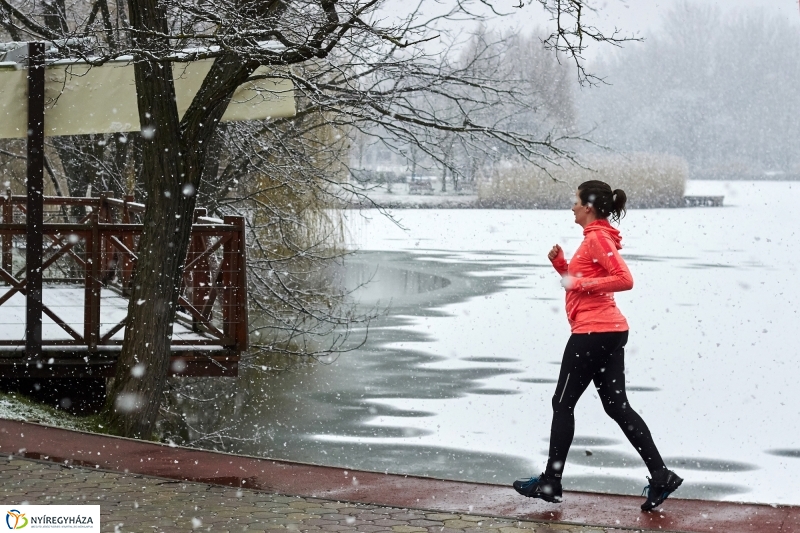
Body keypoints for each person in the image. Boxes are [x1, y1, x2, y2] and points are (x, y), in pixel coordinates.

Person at [512, 180, 682, 512]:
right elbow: (582, 284)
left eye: (575, 201)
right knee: (616, 407)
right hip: (608, 331)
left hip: (595, 332)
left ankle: (550, 481)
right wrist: (562, 267)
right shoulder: (593, 239)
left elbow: (624, 279)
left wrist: (577, 280)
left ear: (588, 206)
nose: (572, 206)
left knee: (562, 403)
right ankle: (661, 475)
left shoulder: (598, 239)